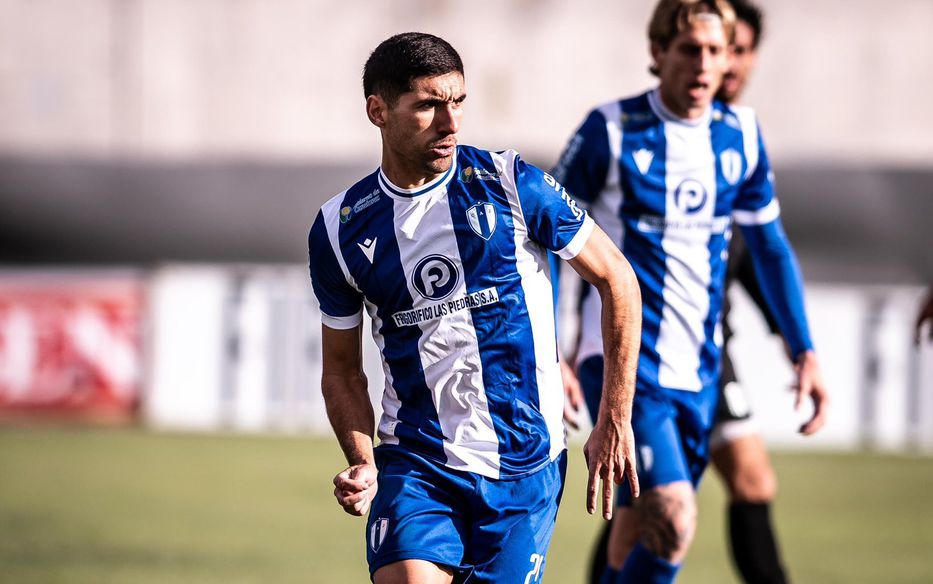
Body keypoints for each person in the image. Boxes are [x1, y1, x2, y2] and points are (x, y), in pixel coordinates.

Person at [307, 32, 643, 584]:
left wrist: (615, 416)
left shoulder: (511, 184)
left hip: (524, 466)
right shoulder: (339, 229)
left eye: (458, 102)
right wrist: (363, 460)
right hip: (417, 462)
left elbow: (617, 278)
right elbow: (341, 369)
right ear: (378, 110)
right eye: (428, 105)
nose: (450, 123)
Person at [553, 1, 830, 582]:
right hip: (626, 366)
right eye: (689, 49)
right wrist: (557, 347)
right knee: (675, 518)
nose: (705, 64)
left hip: (700, 370)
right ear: (658, 53)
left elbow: (771, 248)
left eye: (717, 50)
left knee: (631, 535)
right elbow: (549, 243)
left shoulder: (742, 136)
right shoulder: (609, 129)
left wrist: (803, 347)